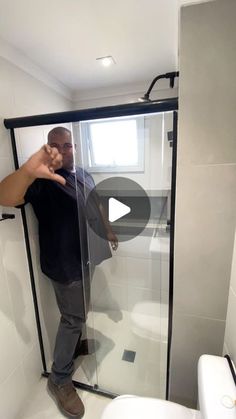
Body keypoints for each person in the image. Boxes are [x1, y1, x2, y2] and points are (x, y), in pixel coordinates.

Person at [0, 127, 118, 419]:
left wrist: (108, 228)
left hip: (84, 258)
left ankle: (74, 346)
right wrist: (27, 171)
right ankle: (60, 378)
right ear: (47, 148)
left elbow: (96, 202)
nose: (62, 150)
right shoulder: (43, 180)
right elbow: (6, 196)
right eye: (55, 145)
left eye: (67, 145)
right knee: (73, 317)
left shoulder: (83, 173)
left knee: (81, 310)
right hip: (63, 263)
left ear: (74, 146)